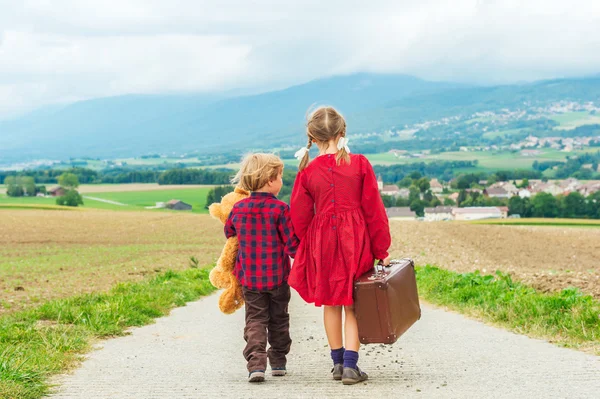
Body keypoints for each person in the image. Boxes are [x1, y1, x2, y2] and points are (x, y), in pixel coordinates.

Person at [289, 106, 391, 385]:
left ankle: (336, 364)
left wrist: (307, 245)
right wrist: (381, 250)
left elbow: (298, 215)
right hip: (355, 240)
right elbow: (374, 211)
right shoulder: (360, 163)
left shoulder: (306, 171)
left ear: (312, 135)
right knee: (354, 304)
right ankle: (350, 367)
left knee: (331, 302)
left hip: (322, 242)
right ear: (342, 132)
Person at [225, 153, 300, 383]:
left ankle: (256, 364)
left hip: (250, 280)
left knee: (255, 320)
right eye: (280, 177)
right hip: (278, 279)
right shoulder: (280, 209)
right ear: (270, 180)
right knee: (279, 319)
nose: (281, 181)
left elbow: (229, 233)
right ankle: (278, 361)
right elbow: (291, 245)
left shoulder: (238, 209)